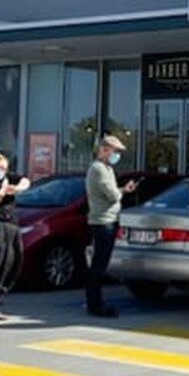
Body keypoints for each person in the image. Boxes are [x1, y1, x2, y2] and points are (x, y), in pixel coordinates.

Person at [85, 134, 136, 318]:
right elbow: (112, 195)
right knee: (99, 265)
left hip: (109, 219)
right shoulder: (98, 169)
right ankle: (95, 303)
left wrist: (122, 190)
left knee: (101, 263)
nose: (117, 156)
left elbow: (114, 192)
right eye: (115, 151)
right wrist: (120, 191)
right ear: (104, 150)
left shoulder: (107, 169)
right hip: (103, 221)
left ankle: (95, 301)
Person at [0, 153, 29, 321]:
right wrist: (3, 190)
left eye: (4, 168)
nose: (1, 172)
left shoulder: (7, 178)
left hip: (11, 225)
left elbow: (25, 180)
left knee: (7, 265)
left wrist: (17, 188)